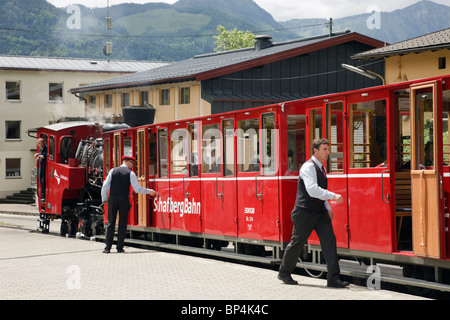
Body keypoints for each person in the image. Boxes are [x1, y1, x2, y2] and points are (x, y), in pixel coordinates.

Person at [277, 138, 349, 288]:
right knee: (297, 243)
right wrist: (333, 196)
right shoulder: (308, 167)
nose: (328, 152)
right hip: (305, 212)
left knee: (329, 242)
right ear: (315, 151)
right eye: (324, 150)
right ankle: (284, 272)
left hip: (320, 212)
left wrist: (328, 208)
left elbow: (319, 193)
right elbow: (312, 190)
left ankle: (333, 278)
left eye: (328, 149)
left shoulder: (321, 168)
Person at [101, 155, 156, 253]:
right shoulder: (131, 173)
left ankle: (107, 248)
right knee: (122, 224)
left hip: (112, 199)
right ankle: (119, 248)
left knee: (111, 223)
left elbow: (105, 186)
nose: (133, 166)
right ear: (128, 162)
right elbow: (136, 188)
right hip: (123, 200)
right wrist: (148, 191)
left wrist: (104, 198)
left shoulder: (113, 171)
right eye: (133, 164)